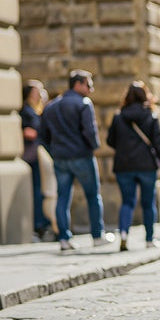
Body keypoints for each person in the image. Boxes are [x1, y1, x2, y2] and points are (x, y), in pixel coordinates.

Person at [38, 69, 115, 252]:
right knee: (93, 196)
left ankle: (64, 239)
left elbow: (43, 136)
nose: (91, 89)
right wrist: (93, 147)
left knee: (62, 198)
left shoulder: (51, 106)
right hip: (82, 156)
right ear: (77, 84)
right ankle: (97, 235)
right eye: (88, 84)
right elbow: (90, 131)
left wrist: (54, 151)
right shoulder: (83, 103)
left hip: (61, 158)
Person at [106, 81, 160, 251]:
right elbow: (158, 143)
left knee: (127, 202)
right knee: (148, 203)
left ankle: (124, 234)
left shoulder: (118, 116)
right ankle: (149, 239)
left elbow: (110, 141)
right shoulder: (151, 115)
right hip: (146, 166)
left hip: (124, 166)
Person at [21, 80, 54, 242]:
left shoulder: (39, 109)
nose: (41, 94)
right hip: (33, 156)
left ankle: (45, 223)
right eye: (37, 91)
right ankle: (39, 225)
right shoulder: (26, 111)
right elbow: (28, 132)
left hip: (41, 155)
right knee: (38, 189)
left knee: (45, 189)